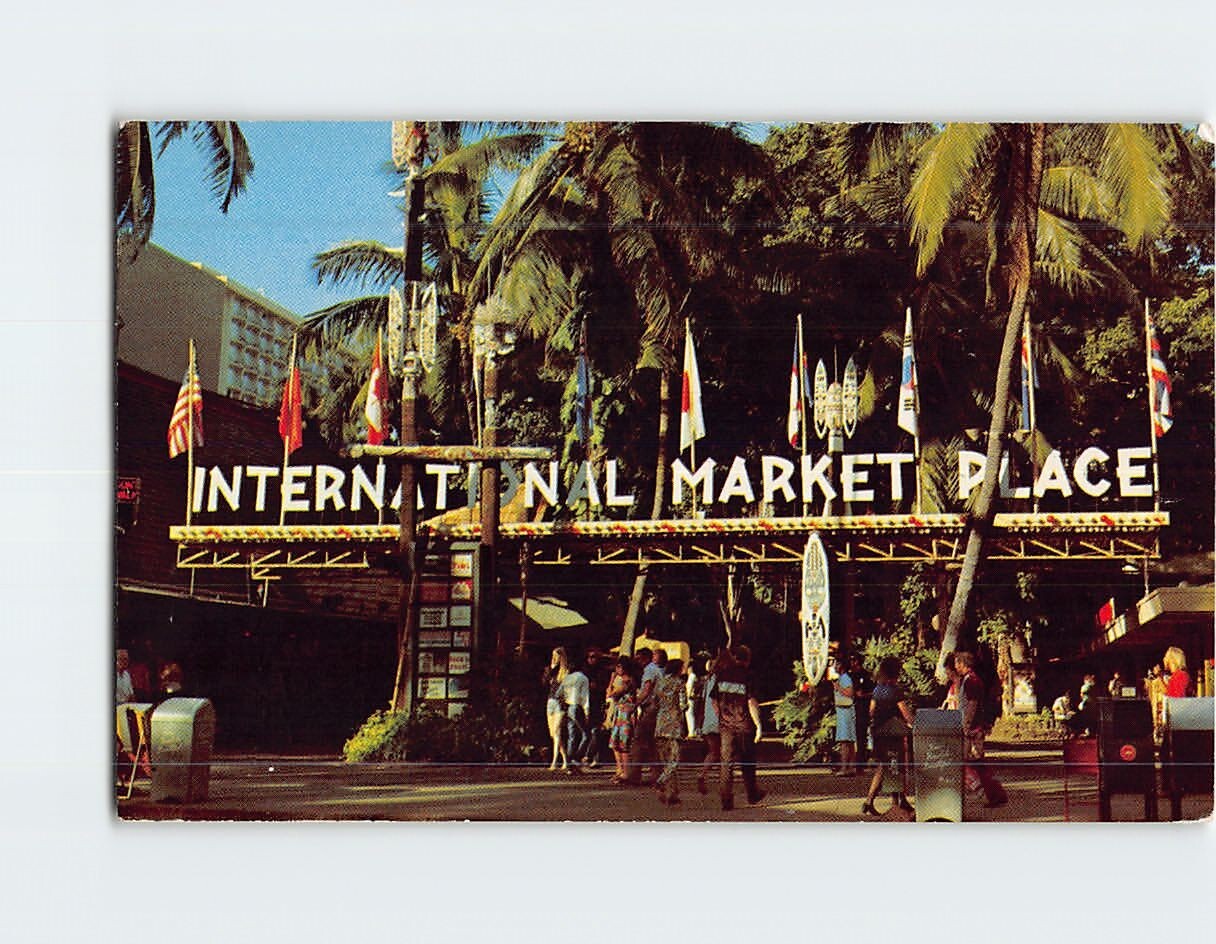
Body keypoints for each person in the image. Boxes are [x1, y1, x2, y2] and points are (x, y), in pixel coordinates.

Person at [712, 645, 765, 811]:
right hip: (744, 725)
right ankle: (752, 793)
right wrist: (758, 725)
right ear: (747, 660)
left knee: (726, 763)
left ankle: (726, 800)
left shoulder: (722, 675)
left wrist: (721, 716)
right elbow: (751, 702)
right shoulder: (748, 676)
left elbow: (714, 700)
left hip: (726, 726)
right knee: (747, 761)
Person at [862, 656, 916, 816]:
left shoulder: (877, 689)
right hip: (893, 734)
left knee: (883, 766)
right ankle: (897, 802)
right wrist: (913, 723)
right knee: (894, 766)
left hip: (878, 732)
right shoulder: (895, 690)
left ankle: (871, 801)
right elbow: (905, 713)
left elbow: (871, 710)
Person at [956, 651, 1007, 809]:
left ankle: (995, 795)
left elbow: (972, 705)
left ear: (964, 664)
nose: (956, 666)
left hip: (972, 730)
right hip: (974, 727)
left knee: (977, 763)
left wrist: (966, 726)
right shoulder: (971, 680)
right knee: (978, 764)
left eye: (958, 663)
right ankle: (995, 794)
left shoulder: (971, 681)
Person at [654, 658, 689, 805]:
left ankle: (672, 793)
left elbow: (655, 701)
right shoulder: (680, 684)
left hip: (661, 723)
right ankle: (661, 781)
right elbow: (683, 705)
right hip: (674, 724)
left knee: (665, 760)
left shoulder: (660, 682)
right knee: (674, 760)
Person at [629, 647, 665, 785]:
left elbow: (647, 689)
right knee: (652, 744)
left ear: (644, 658)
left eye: (638, 658)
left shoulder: (649, 670)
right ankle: (657, 775)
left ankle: (634, 775)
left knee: (638, 741)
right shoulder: (655, 669)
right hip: (656, 708)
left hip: (650, 709)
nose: (637, 661)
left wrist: (636, 703)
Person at [606, 657, 637, 784]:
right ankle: (620, 769)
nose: (617, 669)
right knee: (615, 743)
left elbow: (611, 694)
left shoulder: (627, 681)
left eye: (619, 667)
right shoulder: (623, 680)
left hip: (625, 714)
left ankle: (625, 772)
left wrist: (611, 681)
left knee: (623, 744)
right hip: (619, 713)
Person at [558, 653, 591, 771]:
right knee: (586, 735)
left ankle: (569, 762)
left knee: (571, 735)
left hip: (568, 707)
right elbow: (585, 697)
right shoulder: (583, 678)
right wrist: (587, 712)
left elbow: (559, 693)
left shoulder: (567, 678)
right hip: (577, 707)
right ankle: (576, 758)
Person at [696, 653, 721, 796]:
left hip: (707, 720)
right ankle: (722, 779)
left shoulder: (706, 681)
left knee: (713, 751)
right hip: (718, 719)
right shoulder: (718, 681)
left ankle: (703, 773)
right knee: (724, 751)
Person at [831, 655, 857, 776]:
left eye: (836, 664)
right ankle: (851, 767)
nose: (834, 666)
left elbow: (850, 693)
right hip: (843, 711)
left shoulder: (845, 678)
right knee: (849, 741)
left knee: (845, 741)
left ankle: (844, 768)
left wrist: (838, 688)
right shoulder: (843, 678)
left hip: (845, 711)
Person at [544, 647, 569, 771]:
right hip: (551, 701)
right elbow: (545, 682)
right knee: (553, 734)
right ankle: (565, 760)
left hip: (560, 703)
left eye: (556, 656)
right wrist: (551, 668)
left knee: (557, 731)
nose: (554, 658)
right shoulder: (551, 670)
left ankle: (554, 761)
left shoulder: (565, 672)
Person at [849, 652, 872, 766]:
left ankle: (861, 758)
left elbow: (862, 692)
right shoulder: (851, 675)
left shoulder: (864, 675)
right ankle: (855, 758)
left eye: (853, 660)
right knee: (855, 734)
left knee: (861, 733)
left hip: (861, 707)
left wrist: (864, 695)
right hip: (854, 706)